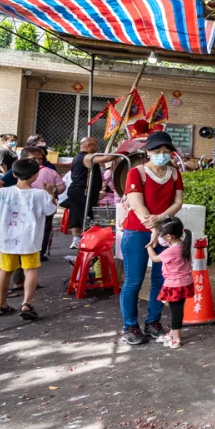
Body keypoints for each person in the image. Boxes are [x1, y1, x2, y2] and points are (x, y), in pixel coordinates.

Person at [119, 131, 186, 345]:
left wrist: (161, 221)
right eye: (157, 151)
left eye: (166, 151)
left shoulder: (174, 174)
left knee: (162, 278)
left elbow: (178, 202)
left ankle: (153, 322)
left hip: (165, 232)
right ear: (148, 152)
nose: (162, 155)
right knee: (133, 281)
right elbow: (136, 203)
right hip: (137, 231)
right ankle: (130, 326)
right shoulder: (137, 173)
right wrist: (153, 225)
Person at [0, 159, 56, 320]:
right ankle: (27, 303)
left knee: (5, 271)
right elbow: (51, 210)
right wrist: (50, 192)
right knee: (30, 270)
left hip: (7, 239)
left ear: (13, 173)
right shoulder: (40, 194)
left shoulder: (2, 192)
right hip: (30, 239)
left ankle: (0, 305)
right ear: (35, 176)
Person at [145, 217, 194, 349]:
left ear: (169, 237)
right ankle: (172, 333)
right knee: (176, 308)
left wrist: (149, 246)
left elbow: (155, 259)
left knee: (175, 311)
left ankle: (176, 338)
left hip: (174, 284)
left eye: (161, 235)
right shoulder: (183, 244)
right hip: (185, 283)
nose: (160, 237)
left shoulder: (172, 250)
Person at [60, 136, 113, 248]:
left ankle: (76, 239)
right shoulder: (86, 157)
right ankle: (87, 240)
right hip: (83, 191)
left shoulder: (80, 157)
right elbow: (106, 159)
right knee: (87, 216)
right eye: (95, 145)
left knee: (75, 214)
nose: (97, 147)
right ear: (89, 145)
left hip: (77, 191)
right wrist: (122, 150)